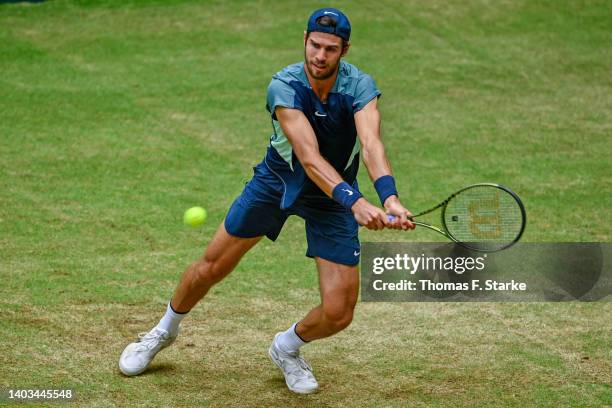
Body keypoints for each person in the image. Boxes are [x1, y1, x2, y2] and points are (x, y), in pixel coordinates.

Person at [119, 7, 414, 394]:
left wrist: (389, 196)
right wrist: (355, 202)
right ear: (304, 41)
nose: (319, 56)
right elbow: (308, 158)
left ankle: (287, 347)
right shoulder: (284, 85)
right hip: (276, 184)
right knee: (211, 267)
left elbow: (372, 144)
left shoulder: (359, 86)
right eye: (314, 45)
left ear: (344, 50)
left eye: (330, 49)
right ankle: (162, 331)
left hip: (331, 199)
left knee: (339, 313)